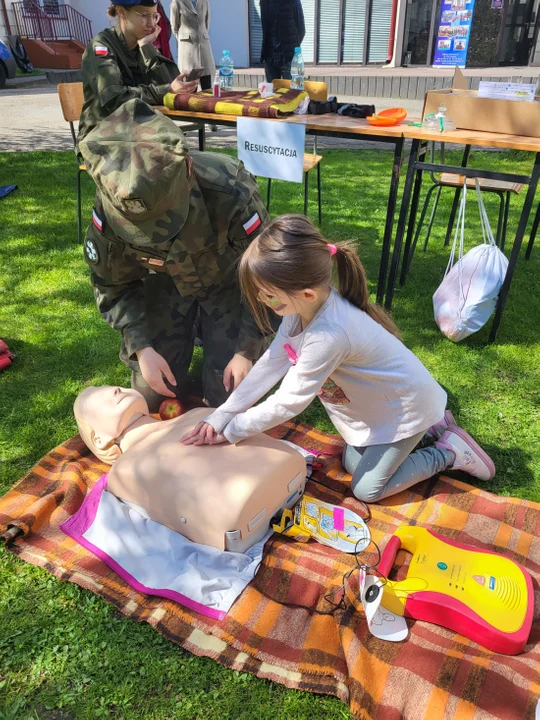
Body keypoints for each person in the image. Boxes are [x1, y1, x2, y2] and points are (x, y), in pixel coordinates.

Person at [182, 215, 496, 503]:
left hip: (406, 409)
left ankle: (450, 451)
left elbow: (289, 402)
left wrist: (233, 430)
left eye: (267, 294)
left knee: (367, 489)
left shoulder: (328, 334)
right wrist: (222, 414)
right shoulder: (301, 310)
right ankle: (432, 427)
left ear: (305, 293)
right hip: (384, 408)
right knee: (350, 462)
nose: (262, 300)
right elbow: (270, 364)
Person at [78, 99, 271, 412]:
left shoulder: (230, 191)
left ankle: (220, 348)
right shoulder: (112, 206)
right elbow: (112, 284)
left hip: (228, 288)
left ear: (188, 170)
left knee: (230, 404)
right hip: (167, 289)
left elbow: (268, 278)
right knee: (151, 399)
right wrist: (141, 347)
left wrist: (246, 349)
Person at [73, 385, 306, 552]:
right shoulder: (126, 471)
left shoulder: (198, 414)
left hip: (261, 498)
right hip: (252, 505)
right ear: (99, 440)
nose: (115, 389)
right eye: (100, 395)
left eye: (114, 386)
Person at [78, 0, 198, 142]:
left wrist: (147, 47)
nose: (152, 24)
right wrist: (166, 90)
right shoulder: (101, 46)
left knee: (184, 154)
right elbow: (115, 99)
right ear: (121, 12)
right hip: (102, 139)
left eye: (155, 16)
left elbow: (169, 82)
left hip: (138, 134)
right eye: (144, 15)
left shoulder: (141, 45)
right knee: (173, 153)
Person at [170, 0, 215, 91]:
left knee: (207, 80)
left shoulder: (204, 2)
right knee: (189, 82)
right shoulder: (177, 2)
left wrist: (201, 35)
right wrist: (185, 37)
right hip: (187, 47)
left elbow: (206, 23)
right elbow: (175, 27)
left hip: (203, 45)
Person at [260, 0, 305, 83]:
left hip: (289, 58)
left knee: (293, 92)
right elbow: (265, 28)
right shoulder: (264, 2)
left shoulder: (292, 1)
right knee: (272, 93)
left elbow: (301, 29)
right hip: (270, 57)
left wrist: (292, 49)